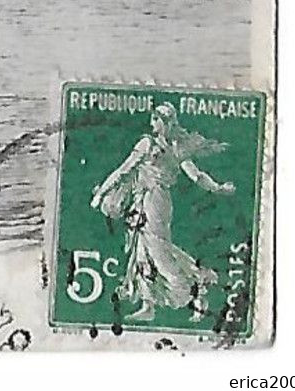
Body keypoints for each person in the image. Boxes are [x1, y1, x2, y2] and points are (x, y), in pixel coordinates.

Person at [89, 102, 236, 322]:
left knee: (158, 250)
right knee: (142, 250)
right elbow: (124, 170)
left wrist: (217, 188)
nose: (158, 123)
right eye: (156, 119)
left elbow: (195, 175)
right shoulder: (148, 144)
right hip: (142, 201)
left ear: (168, 123)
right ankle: (148, 304)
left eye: (162, 120)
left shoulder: (174, 148)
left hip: (155, 202)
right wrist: (102, 192)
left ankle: (197, 282)